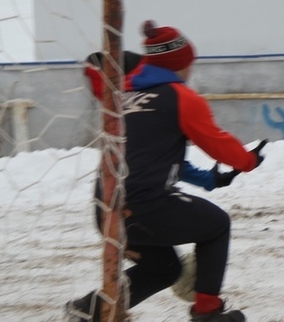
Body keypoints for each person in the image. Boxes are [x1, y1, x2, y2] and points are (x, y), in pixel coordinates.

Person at [68, 22, 266, 322]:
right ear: (180, 64)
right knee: (217, 224)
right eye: (189, 64)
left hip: (106, 209)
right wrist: (247, 161)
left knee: (165, 269)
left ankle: (89, 310)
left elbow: (155, 158)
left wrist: (210, 179)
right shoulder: (180, 98)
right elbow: (218, 143)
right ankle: (207, 312)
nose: (190, 71)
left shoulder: (123, 98)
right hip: (144, 208)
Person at [83, 51, 241, 192]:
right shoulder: (146, 99)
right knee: (216, 222)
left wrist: (208, 179)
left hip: (110, 193)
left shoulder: (135, 100)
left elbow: (164, 158)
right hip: (134, 196)